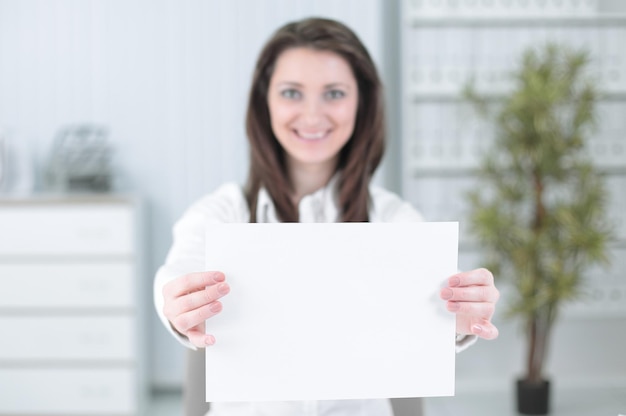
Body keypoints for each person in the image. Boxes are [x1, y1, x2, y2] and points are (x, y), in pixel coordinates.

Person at [154, 17, 500, 416]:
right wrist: (175, 304)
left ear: (361, 103)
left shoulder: (393, 219)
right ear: (265, 102)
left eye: (334, 93)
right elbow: (176, 273)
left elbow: (434, 306)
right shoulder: (221, 213)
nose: (313, 115)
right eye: (291, 93)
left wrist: (460, 314)